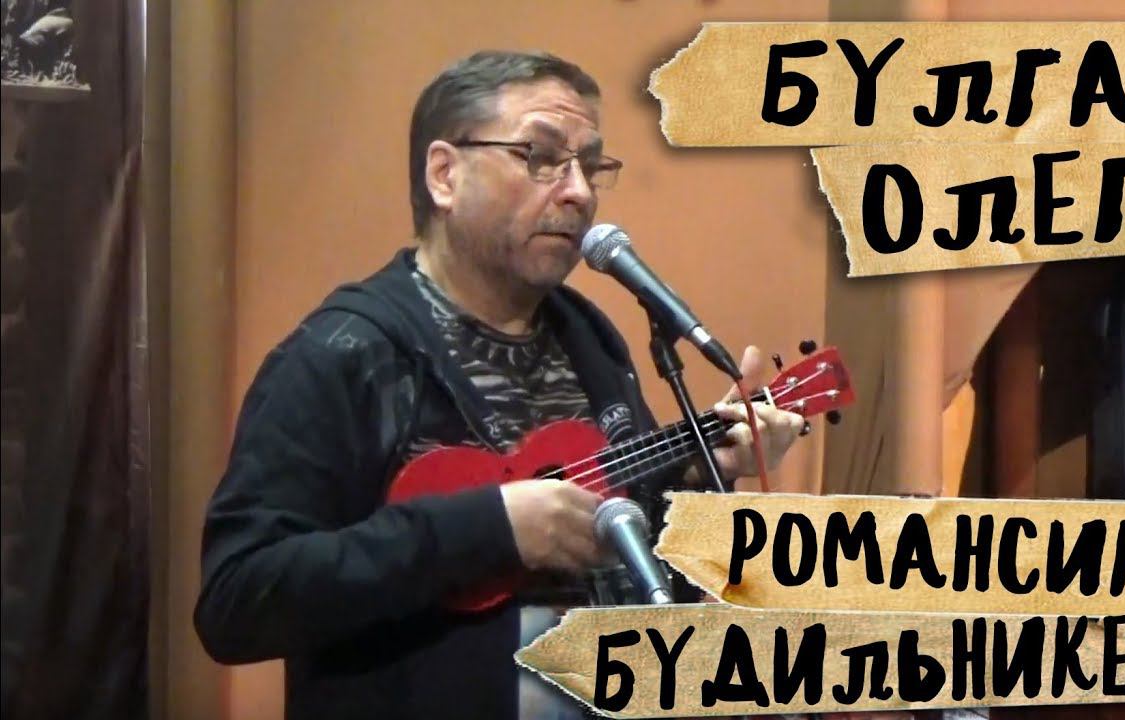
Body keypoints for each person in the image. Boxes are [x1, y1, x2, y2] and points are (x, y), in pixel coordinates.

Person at [194, 50, 803, 720]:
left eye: (590, 164)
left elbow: (627, 539)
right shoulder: (343, 355)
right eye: (540, 156)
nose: (578, 191)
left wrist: (698, 472)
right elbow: (237, 601)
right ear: (444, 175)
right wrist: (488, 530)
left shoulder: (590, 338)